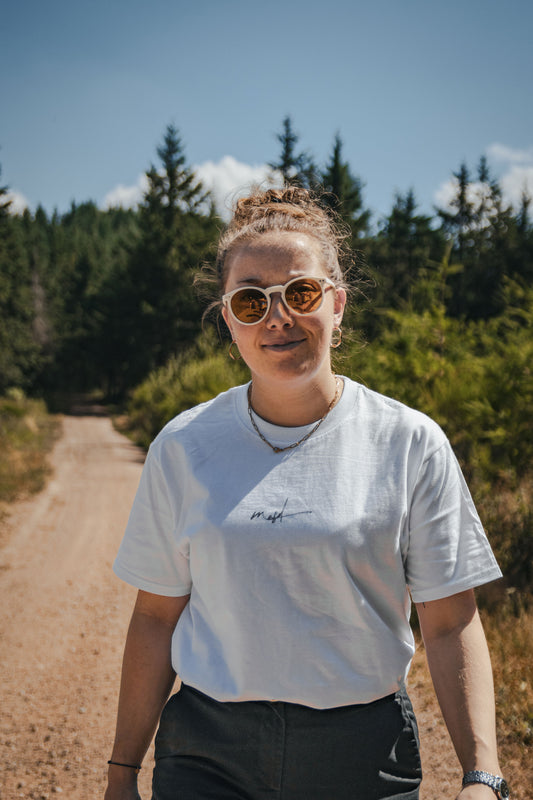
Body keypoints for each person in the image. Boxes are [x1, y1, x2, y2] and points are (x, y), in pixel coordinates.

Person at [104, 187, 509, 800]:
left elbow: (451, 623)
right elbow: (156, 618)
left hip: (362, 758)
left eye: (300, 293)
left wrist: (482, 775)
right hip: (208, 754)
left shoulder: (409, 442)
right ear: (229, 320)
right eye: (251, 300)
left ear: (337, 304)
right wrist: (121, 773)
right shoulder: (183, 446)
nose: (277, 317)